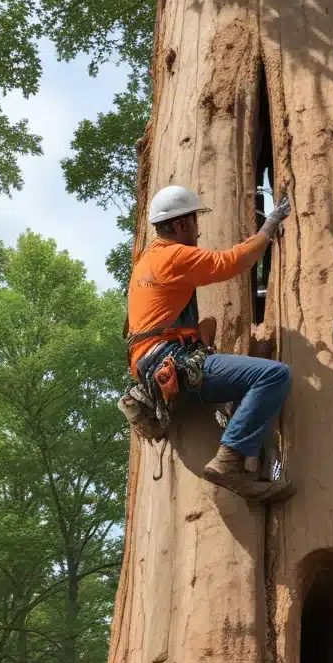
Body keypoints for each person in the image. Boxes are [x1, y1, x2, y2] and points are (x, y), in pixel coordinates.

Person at [126, 184, 295, 504]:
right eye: (194, 221)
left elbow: (193, 324)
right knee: (275, 375)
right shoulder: (173, 255)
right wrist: (270, 224)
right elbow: (230, 262)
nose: (198, 229)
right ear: (179, 225)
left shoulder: (147, 260)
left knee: (208, 325)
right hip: (170, 361)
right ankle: (229, 462)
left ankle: (233, 414)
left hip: (154, 363)